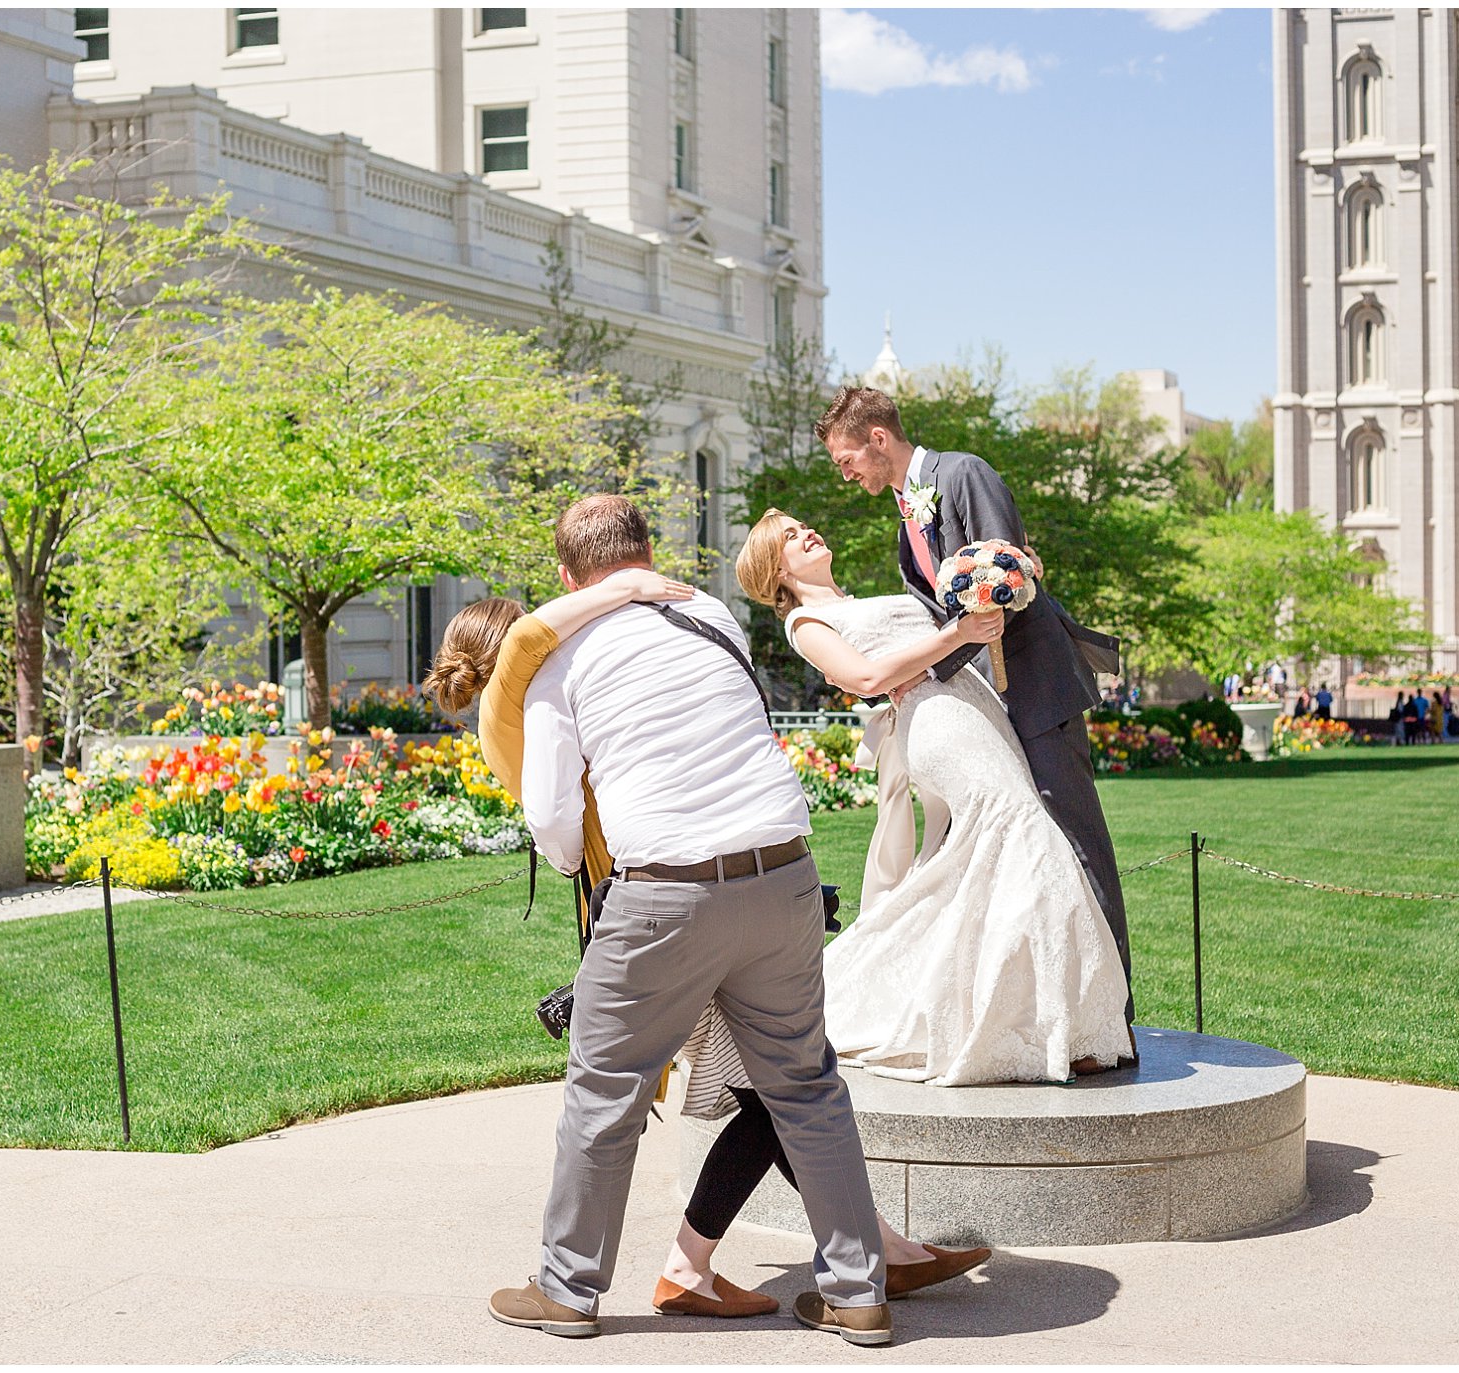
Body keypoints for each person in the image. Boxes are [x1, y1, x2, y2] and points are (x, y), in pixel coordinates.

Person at [429, 582, 989, 1325]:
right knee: (783, 1088)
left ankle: (728, 1265)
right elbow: (558, 819)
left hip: (662, 914)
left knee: (768, 1091)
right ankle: (839, 1268)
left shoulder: (553, 691)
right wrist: (625, 586)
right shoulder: (521, 698)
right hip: (658, 915)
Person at [484, 495, 893, 1347]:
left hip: (663, 892)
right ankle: (858, 1291)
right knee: (807, 1087)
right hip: (784, 876)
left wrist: (576, 870)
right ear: (647, 552)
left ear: (566, 576)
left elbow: (555, 816)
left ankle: (568, 1288)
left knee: (605, 1091)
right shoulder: (708, 614)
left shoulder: (559, 659)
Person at [736, 510, 1132, 1084]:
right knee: (1025, 833)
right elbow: (868, 679)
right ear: (777, 570)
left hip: (977, 707)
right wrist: (956, 635)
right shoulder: (807, 622)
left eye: (805, 527)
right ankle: (1045, 1025)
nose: (808, 533)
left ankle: (1049, 1022)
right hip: (938, 723)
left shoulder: (854, 599)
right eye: (792, 538)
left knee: (993, 855)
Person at [816, 386, 1136, 1038]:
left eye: (846, 458)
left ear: (878, 439)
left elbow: (1009, 570)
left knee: (1077, 845)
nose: (844, 473)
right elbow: (942, 616)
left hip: (1037, 694)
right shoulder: (907, 516)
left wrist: (944, 649)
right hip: (984, 708)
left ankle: (1116, 1019)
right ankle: (1054, 1017)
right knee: (1026, 858)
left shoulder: (962, 473)